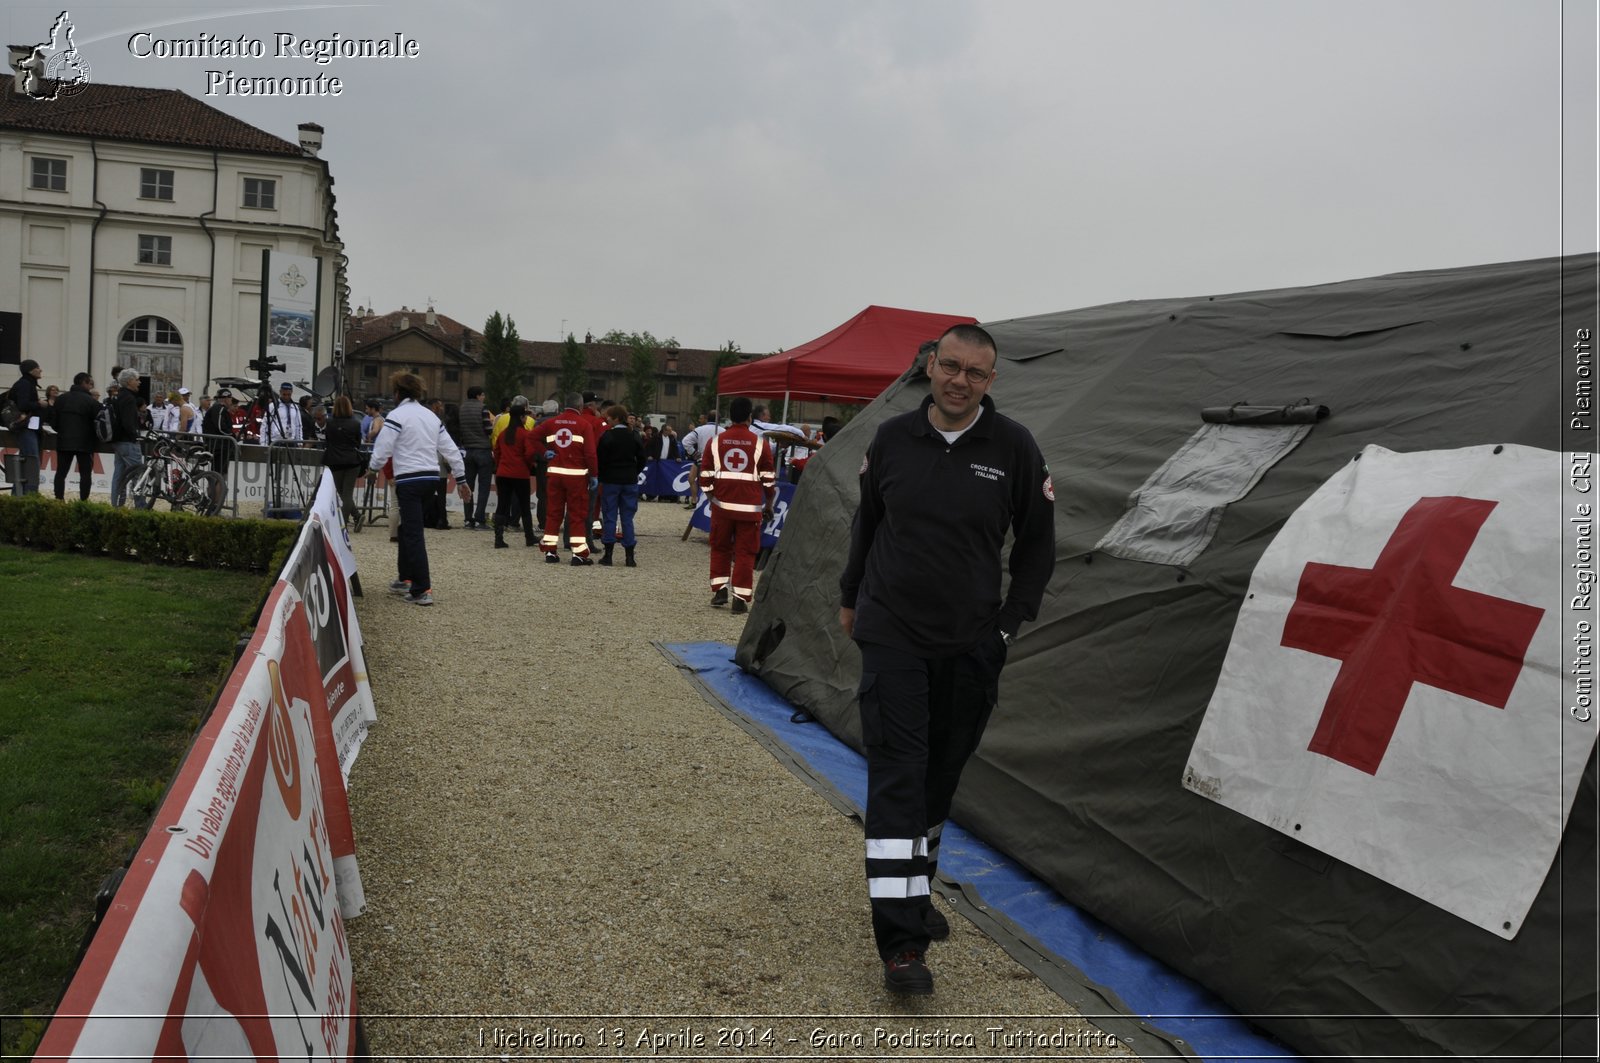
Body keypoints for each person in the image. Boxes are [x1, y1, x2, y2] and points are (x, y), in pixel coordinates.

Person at [837, 324, 1055, 995]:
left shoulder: (1014, 447)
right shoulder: (893, 438)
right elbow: (868, 524)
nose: (959, 380)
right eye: (950, 365)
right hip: (893, 635)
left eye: (975, 372)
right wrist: (851, 597)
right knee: (899, 781)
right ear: (930, 366)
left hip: (969, 646)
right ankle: (900, 942)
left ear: (991, 381)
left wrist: (1006, 630)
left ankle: (914, 888)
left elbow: (1038, 548)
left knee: (937, 779)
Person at [367, 372, 470, 606]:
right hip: (431, 479)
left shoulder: (396, 415)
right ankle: (405, 578)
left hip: (409, 480)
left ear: (397, 393)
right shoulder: (431, 417)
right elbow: (451, 449)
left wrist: (373, 469)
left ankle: (422, 589)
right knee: (406, 529)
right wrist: (461, 479)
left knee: (413, 533)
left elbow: (383, 447)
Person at [701, 396, 776, 613]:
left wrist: (711, 497)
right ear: (749, 417)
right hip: (750, 510)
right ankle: (740, 600)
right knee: (745, 552)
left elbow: (704, 476)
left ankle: (719, 591)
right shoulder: (761, 444)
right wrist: (768, 502)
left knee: (720, 547)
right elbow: (768, 479)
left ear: (730, 417)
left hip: (721, 507)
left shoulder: (715, 442)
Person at [535, 392, 598, 565]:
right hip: (576, 477)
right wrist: (594, 475)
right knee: (577, 515)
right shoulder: (584, 425)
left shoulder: (551, 422)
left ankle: (550, 551)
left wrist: (544, 452)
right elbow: (591, 454)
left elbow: (531, 437)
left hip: (554, 475)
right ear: (580, 406)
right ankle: (578, 554)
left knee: (553, 513)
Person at [597, 403, 647, 567]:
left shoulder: (607, 436)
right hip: (629, 480)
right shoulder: (634, 435)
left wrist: (603, 476)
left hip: (611, 480)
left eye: (609, 418)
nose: (607, 420)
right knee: (628, 518)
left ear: (616, 418)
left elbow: (601, 460)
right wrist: (634, 471)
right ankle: (629, 557)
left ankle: (608, 555)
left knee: (610, 516)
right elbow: (642, 458)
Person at [490, 395, 539, 549]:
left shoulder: (504, 434)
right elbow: (529, 453)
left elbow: (496, 452)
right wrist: (530, 464)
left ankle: (499, 539)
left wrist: (499, 466)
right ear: (522, 417)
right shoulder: (525, 434)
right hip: (520, 474)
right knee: (524, 505)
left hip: (503, 473)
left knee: (502, 505)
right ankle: (529, 537)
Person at [51, 371, 98, 501]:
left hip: (64, 440)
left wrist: (62, 430)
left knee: (61, 472)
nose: (91, 386)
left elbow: (53, 423)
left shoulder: (61, 399)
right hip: (85, 442)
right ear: (84, 383)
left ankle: (59, 499)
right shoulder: (91, 402)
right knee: (85, 474)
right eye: (90, 383)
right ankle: (83, 501)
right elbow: (98, 423)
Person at [322, 395, 365, 531]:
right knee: (346, 493)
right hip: (352, 460)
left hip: (335, 460)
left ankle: (344, 524)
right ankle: (353, 517)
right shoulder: (356, 423)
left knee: (341, 493)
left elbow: (328, 440)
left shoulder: (329, 422)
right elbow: (358, 442)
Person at [6, 359, 46, 494]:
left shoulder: (26, 383)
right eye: (38, 367)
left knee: (26, 462)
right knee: (31, 462)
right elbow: (23, 405)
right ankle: (29, 495)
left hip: (28, 427)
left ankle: (18, 496)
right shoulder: (25, 384)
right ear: (30, 370)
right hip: (25, 428)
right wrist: (39, 404)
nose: (40, 370)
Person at [109, 368, 148, 508]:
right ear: (129, 381)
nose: (139, 382)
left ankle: (116, 504)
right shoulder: (129, 398)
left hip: (118, 441)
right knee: (139, 474)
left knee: (119, 475)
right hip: (128, 441)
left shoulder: (119, 396)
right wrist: (135, 436)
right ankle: (141, 506)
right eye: (137, 379)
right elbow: (127, 422)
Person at [457, 385, 495, 529]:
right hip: (483, 450)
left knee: (468, 486)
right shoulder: (483, 408)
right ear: (478, 396)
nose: (484, 398)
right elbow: (488, 429)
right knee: (484, 487)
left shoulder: (462, 408)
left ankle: (468, 519)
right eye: (483, 395)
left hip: (468, 451)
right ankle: (480, 519)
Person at [680, 412, 722, 509]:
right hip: (716, 460)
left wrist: (693, 453)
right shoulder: (723, 431)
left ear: (707, 419)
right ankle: (703, 502)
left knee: (692, 479)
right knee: (711, 482)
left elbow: (685, 441)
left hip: (701, 458)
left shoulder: (700, 429)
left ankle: (696, 501)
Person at [201, 388, 238, 474]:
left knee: (217, 473)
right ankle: (216, 487)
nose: (231, 401)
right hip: (219, 446)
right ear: (226, 398)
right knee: (219, 474)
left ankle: (215, 487)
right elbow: (220, 427)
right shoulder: (219, 409)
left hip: (217, 445)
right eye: (230, 398)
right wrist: (233, 435)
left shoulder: (217, 408)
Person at [261, 382, 303, 446]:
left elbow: (298, 426)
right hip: (276, 441)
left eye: (289, 394)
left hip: (291, 441)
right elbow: (265, 425)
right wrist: (263, 443)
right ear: (280, 392)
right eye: (284, 394)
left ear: (291, 392)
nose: (286, 397)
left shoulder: (295, 407)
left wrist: (300, 442)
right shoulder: (273, 406)